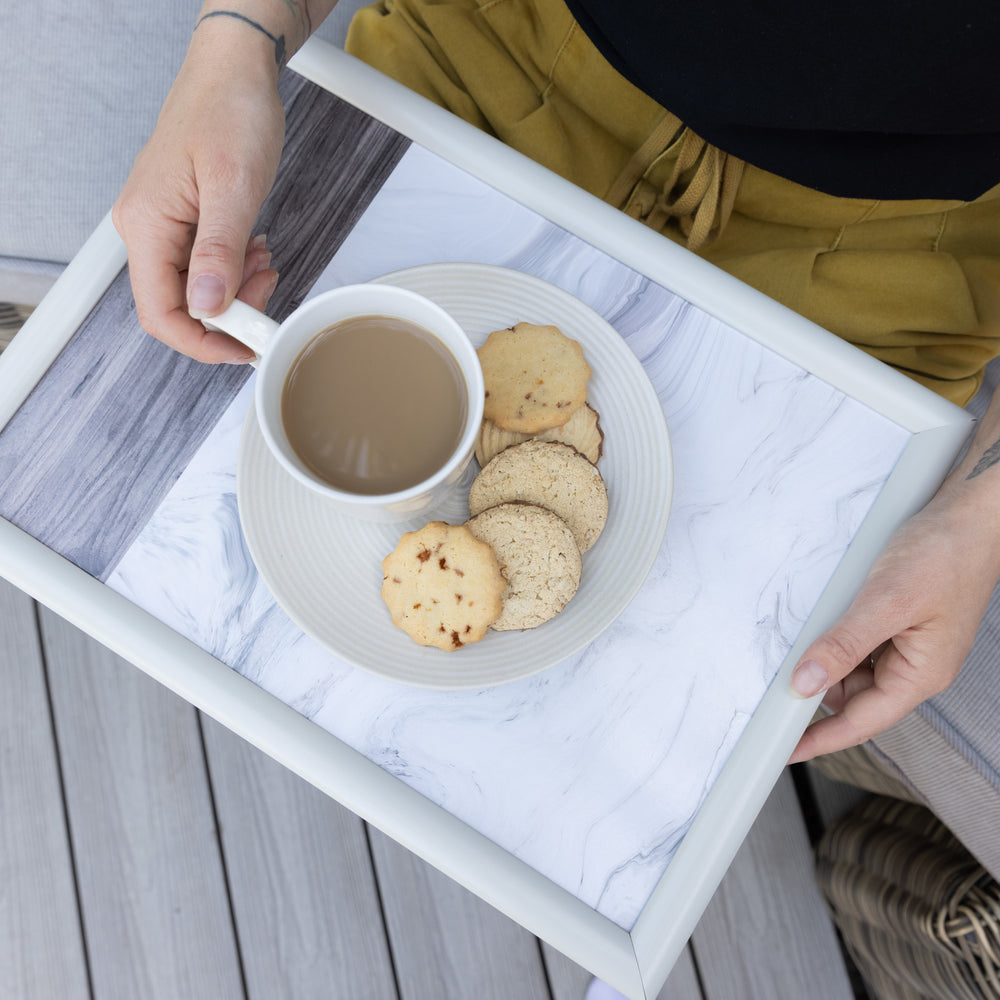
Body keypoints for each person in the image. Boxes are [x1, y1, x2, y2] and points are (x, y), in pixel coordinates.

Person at [112, 0, 1000, 772]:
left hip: (904, 245)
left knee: (680, 700)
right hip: (511, 48)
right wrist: (234, 46)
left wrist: (979, 520)